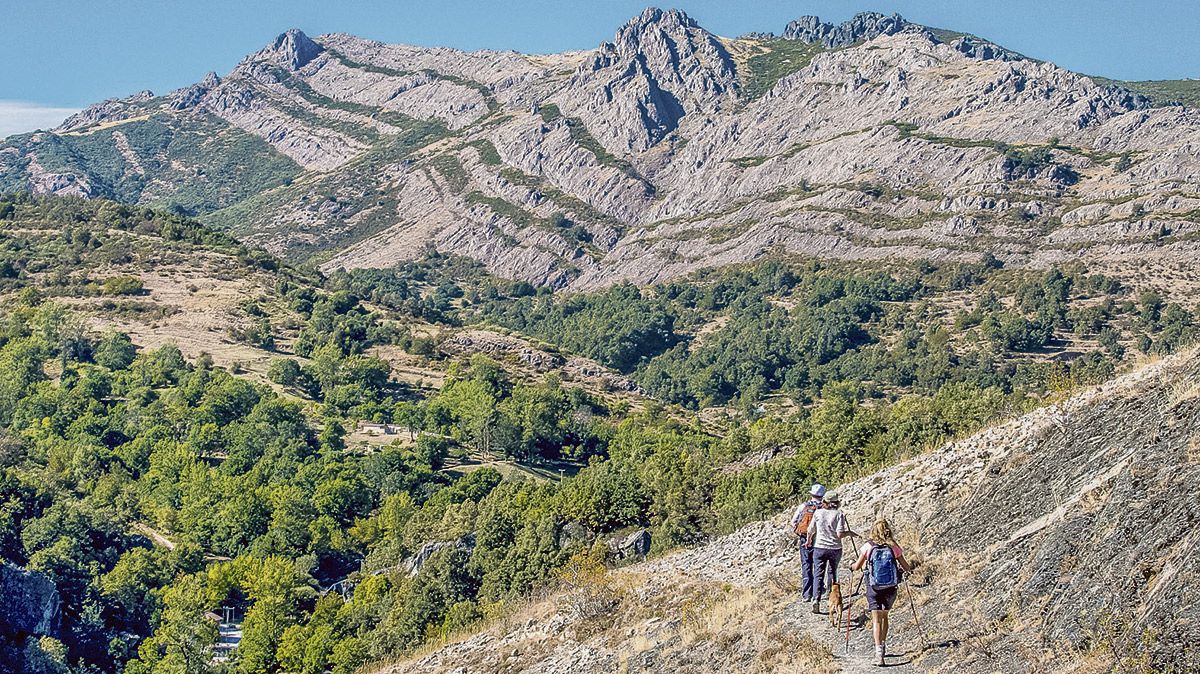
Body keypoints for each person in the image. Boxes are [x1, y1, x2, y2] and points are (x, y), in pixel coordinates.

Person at [851, 519, 913, 667]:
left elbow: (857, 566)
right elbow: (906, 567)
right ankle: (883, 646)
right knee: (885, 616)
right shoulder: (894, 547)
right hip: (890, 587)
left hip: (873, 587)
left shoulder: (868, 546)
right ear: (888, 530)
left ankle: (879, 655)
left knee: (876, 620)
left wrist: (851, 566)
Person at [806, 490, 859, 616]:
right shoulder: (839, 514)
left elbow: (810, 530)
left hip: (819, 547)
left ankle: (816, 599)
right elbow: (840, 534)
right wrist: (850, 533)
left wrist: (808, 540)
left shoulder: (818, 513)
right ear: (836, 502)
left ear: (825, 502)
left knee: (818, 573)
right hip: (835, 548)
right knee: (832, 572)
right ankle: (832, 596)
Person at [789, 483, 825, 602]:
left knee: (806, 565)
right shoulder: (825, 508)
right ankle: (817, 592)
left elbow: (793, 522)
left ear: (811, 494)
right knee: (818, 566)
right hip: (820, 540)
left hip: (804, 539)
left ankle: (806, 594)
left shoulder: (803, 506)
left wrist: (798, 532)